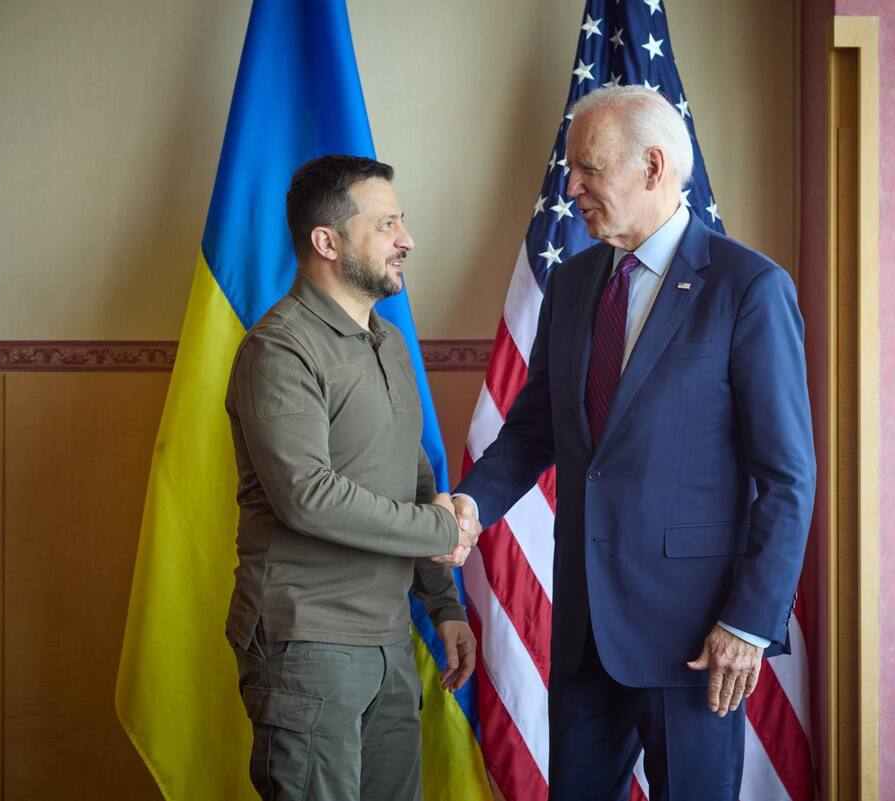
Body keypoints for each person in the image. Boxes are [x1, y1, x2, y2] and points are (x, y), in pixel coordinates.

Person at [453, 86, 815, 801]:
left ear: (653, 167)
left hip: (698, 639)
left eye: (587, 168)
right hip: (585, 633)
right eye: (571, 170)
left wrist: (748, 620)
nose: (572, 187)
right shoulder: (572, 282)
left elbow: (788, 477)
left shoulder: (748, 288)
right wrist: (469, 505)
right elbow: (533, 430)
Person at [224, 154, 477, 801]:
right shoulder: (279, 347)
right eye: (387, 223)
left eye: (403, 221)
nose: (407, 239)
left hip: (390, 640)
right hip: (308, 644)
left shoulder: (388, 341)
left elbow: (411, 478)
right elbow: (307, 497)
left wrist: (443, 603)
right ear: (327, 241)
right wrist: (441, 526)